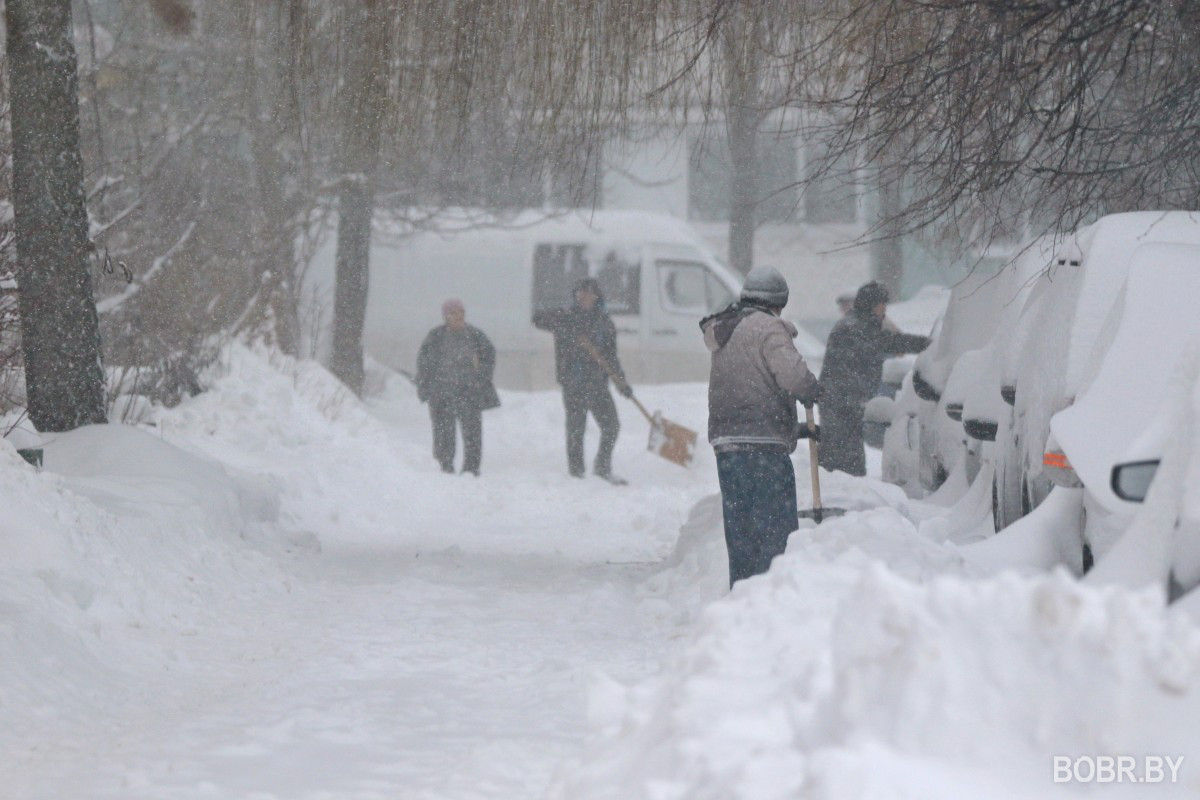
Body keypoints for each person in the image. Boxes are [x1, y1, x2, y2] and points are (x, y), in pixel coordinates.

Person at [701, 267, 820, 588]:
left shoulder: (727, 328)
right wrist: (813, 390)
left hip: (728, 444)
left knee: (741, 533)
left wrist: (795, 430)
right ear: (779, 303)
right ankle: (770, 601)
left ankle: (741, 598)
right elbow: (792, 378)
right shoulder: (769, 328)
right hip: (765, 447)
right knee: (775, 534)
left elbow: (749, 393)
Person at [818, 281, 930, 476]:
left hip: (842, 401)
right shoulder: (856, 328)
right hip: (841, 402)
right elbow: (890, 341)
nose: (884, 309)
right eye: (882, 305)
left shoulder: (858, 324)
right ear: (872, 304)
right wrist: (927, 344)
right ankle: (839, 494)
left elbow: (890, 341)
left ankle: (841, 489)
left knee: (842, 457)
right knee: (843, 461)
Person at [533, 277, 633, 483]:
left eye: (589, 293)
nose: (585, 297)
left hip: (597, 384)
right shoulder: (565, 317)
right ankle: (576, 474)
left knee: (611, 425)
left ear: (597, 297)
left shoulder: (604, 323)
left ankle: (602, 467)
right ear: (576, 295)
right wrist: (567, 325)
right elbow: (537, 319)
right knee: (576, 430)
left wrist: (621, 383)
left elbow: (611, 357)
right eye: (581, 292)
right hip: (574, 383)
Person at [415, 299, 500, 476]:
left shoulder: (475, 335)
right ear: (445, 316)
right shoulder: (436, 336)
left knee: (472, 434)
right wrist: (427, 387)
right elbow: (424, 363)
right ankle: (444, 466)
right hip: (442, 393)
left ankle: (471, 469)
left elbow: (489, 356)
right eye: (453, 313)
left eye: (461, 312)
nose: (458, 316)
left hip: (469, 393)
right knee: (443, 433)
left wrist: (480, 379)